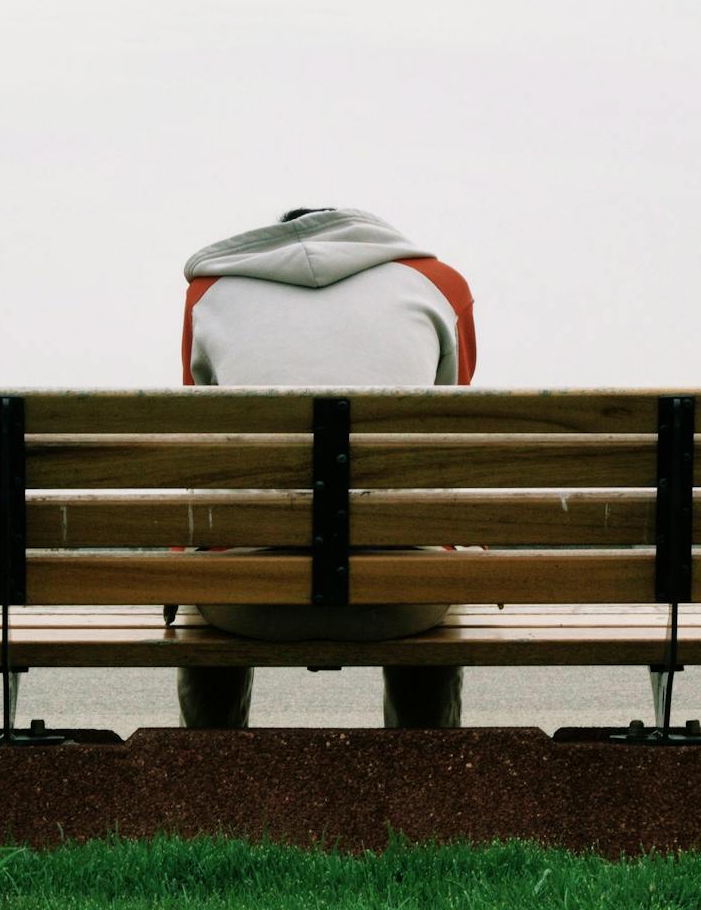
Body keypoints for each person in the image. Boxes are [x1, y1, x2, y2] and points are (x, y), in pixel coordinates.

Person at [176, 207, 477, 729]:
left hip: (244, 604)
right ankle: (427, 774)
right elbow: (449, 433)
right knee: (427, 550)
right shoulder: (440, 285)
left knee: (211, 558)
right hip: (404, 604)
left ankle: (208, 775)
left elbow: (207, 442)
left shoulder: (210, 294)